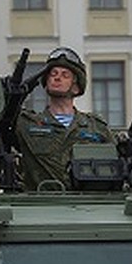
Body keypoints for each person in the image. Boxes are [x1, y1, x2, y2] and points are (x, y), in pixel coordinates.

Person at [14, 46, 117, 191]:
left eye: (65, 75)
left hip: (88, 207)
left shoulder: (96, 127)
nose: (57, 77)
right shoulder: (26, 124)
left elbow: (117, 162)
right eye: (53, 74)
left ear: (75, 87)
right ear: (46, 82)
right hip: (40, 206)